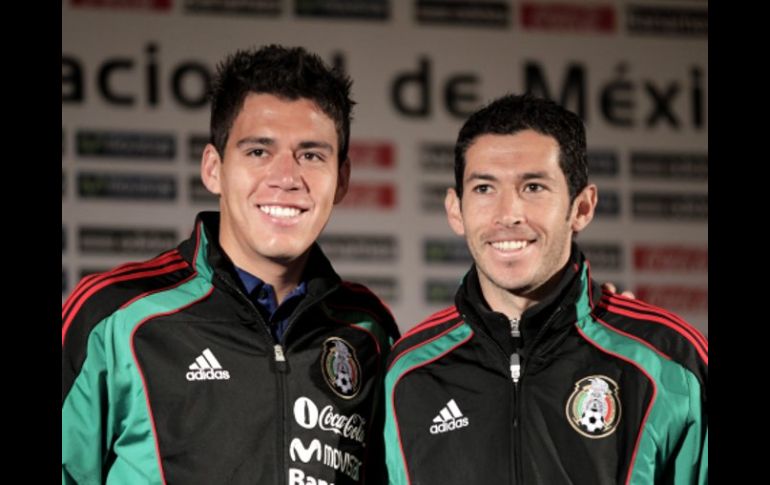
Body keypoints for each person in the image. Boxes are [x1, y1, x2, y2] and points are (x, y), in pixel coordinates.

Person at [62, 45, 400, 485]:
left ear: (343, 179)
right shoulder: (114, 314)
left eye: (312, 155)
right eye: (258, 151)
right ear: (213, 168)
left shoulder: (368, 329)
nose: (286, 178)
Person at [383, 94, 708, 484]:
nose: (508, 215)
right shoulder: (408, 373)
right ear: (456, 210)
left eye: (534, 187)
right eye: (485, 188)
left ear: (581, 208)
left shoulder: (669, 361)